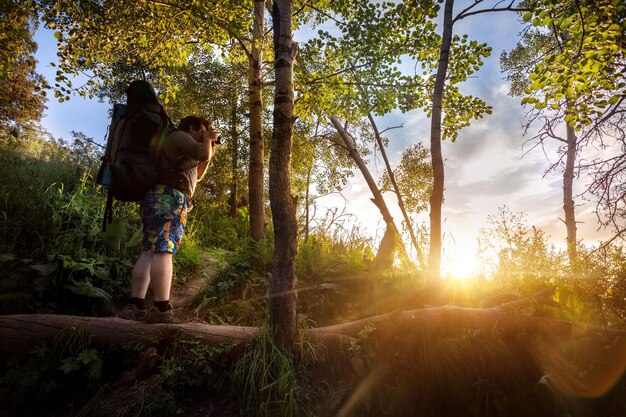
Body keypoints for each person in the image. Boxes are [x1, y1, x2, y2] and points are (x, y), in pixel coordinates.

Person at [119, 114, 219, 323]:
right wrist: (207, 140)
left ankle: (135, 305)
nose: (204, 132)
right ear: (191, 128)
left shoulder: (180, 148)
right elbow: (201, 152)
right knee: (164, 249)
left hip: (158, 197)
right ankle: (162, 309)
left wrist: (209, 146)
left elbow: (199, 173)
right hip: (169, 198)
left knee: (149, 250)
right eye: (202, 129)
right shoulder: (179, 137)